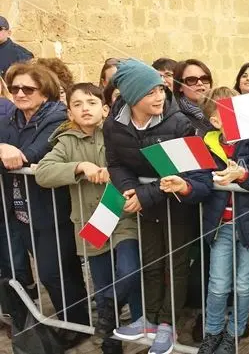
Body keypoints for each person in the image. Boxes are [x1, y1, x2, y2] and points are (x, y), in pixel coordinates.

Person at [103, 59, 212, 354]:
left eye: (161, 90)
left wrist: (144, 194)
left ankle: (167, 323)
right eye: (150, 92)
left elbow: (185, 172)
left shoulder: (179, 123)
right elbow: (116, 163)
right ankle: (149, 319)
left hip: (175, 204)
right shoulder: (114, 125)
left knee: (174, 265)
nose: (159, 97)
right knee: (151, 262)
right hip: (144, 204)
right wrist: (129, 191)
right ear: (131, 95)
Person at [35, 82, 141, 354]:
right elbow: (43, 173)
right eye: (78, 104)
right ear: (69, 112)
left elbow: (138, 163)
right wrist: (80, 167)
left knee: (129, 271)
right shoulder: (66, 142)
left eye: (92, 103)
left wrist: (116, 173)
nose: (85, 109)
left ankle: (120, 321)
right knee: (102, 281)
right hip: (91, 222)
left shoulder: (118, 135)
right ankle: (110, 344)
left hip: (122, 215)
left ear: (105, 108)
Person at [0, 63, 89, 348]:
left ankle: (78, 324)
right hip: (20, 208)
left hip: (51, 208)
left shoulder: (57, 118)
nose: (20, 93)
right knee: (47, 271)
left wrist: (14, 153)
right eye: (15, 88)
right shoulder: (11, 118)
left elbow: (34, 155)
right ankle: (67, 321)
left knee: (56, 270)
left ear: (45, 90)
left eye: (28, 88)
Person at [196, 86, 249, 354]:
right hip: (221, 226)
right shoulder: (205, 146)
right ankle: (213, 332)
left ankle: (234, 333)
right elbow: (196, 179)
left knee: (244, 285)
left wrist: (242, 175)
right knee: (218, 284)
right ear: (216, 121)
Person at [173, 59, 214, 135]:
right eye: (191, 80)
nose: (200, 83)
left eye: (204, 79)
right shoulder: (172, 117)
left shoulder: (221, 111)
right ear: (180, 86)